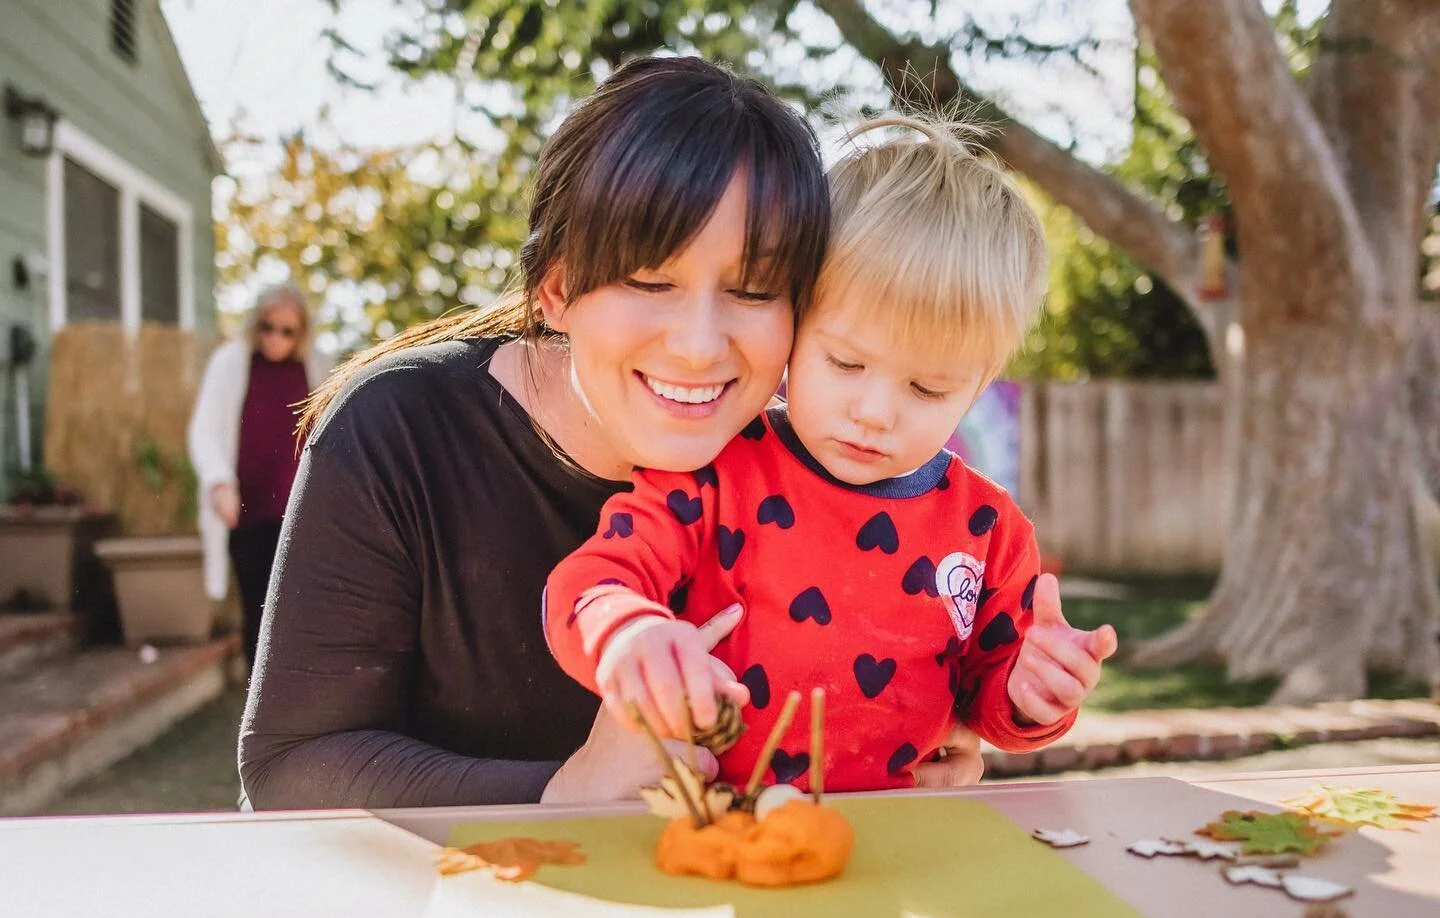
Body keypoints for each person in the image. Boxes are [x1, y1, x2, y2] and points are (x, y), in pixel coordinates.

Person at [238, 55, 952, 811]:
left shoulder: (821, 473)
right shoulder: (398, 432)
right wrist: (566, 790)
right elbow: (293, 766)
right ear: (556, 287)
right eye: (650, 282)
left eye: (752, 290)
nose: (700, 345)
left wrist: (915, 737)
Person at [544, 116, 1119, 794]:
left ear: (979, 383)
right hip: (719, 841)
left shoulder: (986, 532)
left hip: (896, 847)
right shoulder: (718, 474)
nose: (875, 412)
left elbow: (990, 702)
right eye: (845, 362)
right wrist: (629, 635)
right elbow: (591, 584)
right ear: (794, 324)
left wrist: (1034, 689)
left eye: (928, 387)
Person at [188, 285, 332, 669]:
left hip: (301, 512)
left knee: (302, 611)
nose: (276, 338)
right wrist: (219, 482)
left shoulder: (318, 366)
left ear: (301, 332)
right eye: (268, 327)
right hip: (248, 511)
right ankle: (260, 714)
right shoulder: (230, 362)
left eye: (288, 331)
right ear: (255, 324)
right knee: (259, 611)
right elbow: (202, 431)